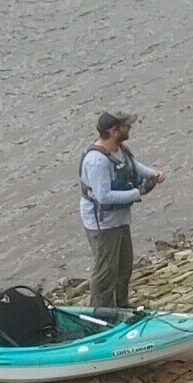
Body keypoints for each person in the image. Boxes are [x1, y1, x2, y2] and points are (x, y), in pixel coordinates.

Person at [78, 112, 163, 310]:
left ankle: (122, 306)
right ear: (114, 131)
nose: (130, 128)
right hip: (103, 224)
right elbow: (103, 197)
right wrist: (137, 193)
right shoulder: (97, 161)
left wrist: (152, 174)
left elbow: (132, 165)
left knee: (124, 266)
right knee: (106, 270)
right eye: (126, 126)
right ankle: (101, 313)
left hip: (120, 219)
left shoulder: (119, 148)